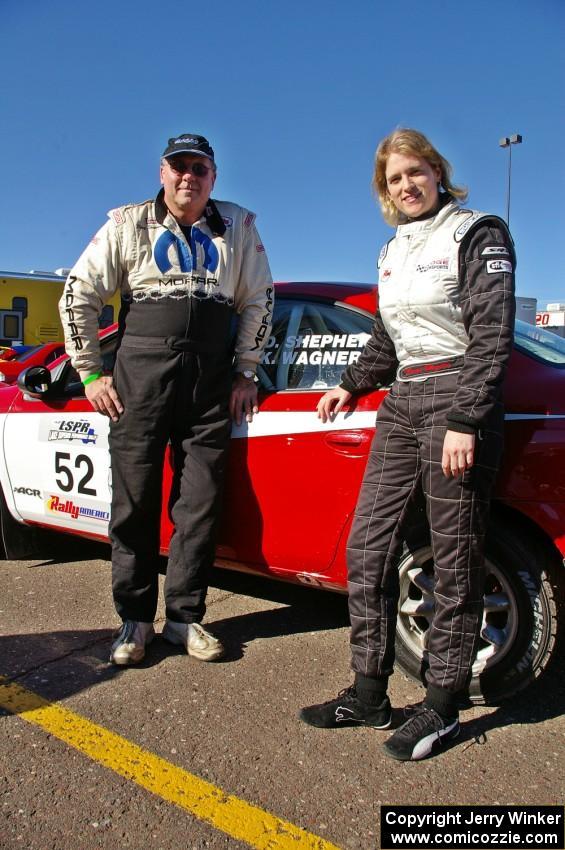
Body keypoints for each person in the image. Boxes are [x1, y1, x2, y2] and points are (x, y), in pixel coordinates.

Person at [299, 128, 515, 761]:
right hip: (402, 403)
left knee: (454, 559)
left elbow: (492, 329)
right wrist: (348, 384)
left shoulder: (477, 231)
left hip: (456, 396)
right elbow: (390, 341)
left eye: (415, 172)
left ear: (438, 172)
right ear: (385, 191)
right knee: (367, 549)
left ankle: (443, 705)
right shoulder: (390, 251)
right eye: (394, 179)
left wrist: (468, 419)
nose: (407, 185)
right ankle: (368, 695)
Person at [59, 133, 273, 665]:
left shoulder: (239, 225)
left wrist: (246, 370)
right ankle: (133, 621)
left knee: (199, 504)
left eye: (199, 169)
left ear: (213, 177)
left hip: (209, 381)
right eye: (179, 167)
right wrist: (89, 373)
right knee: (133, 502)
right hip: (140, 377)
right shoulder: (128, 222)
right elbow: (78, 293)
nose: (189, 178)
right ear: (162, 172)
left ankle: (184, 618)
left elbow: (259, 298)